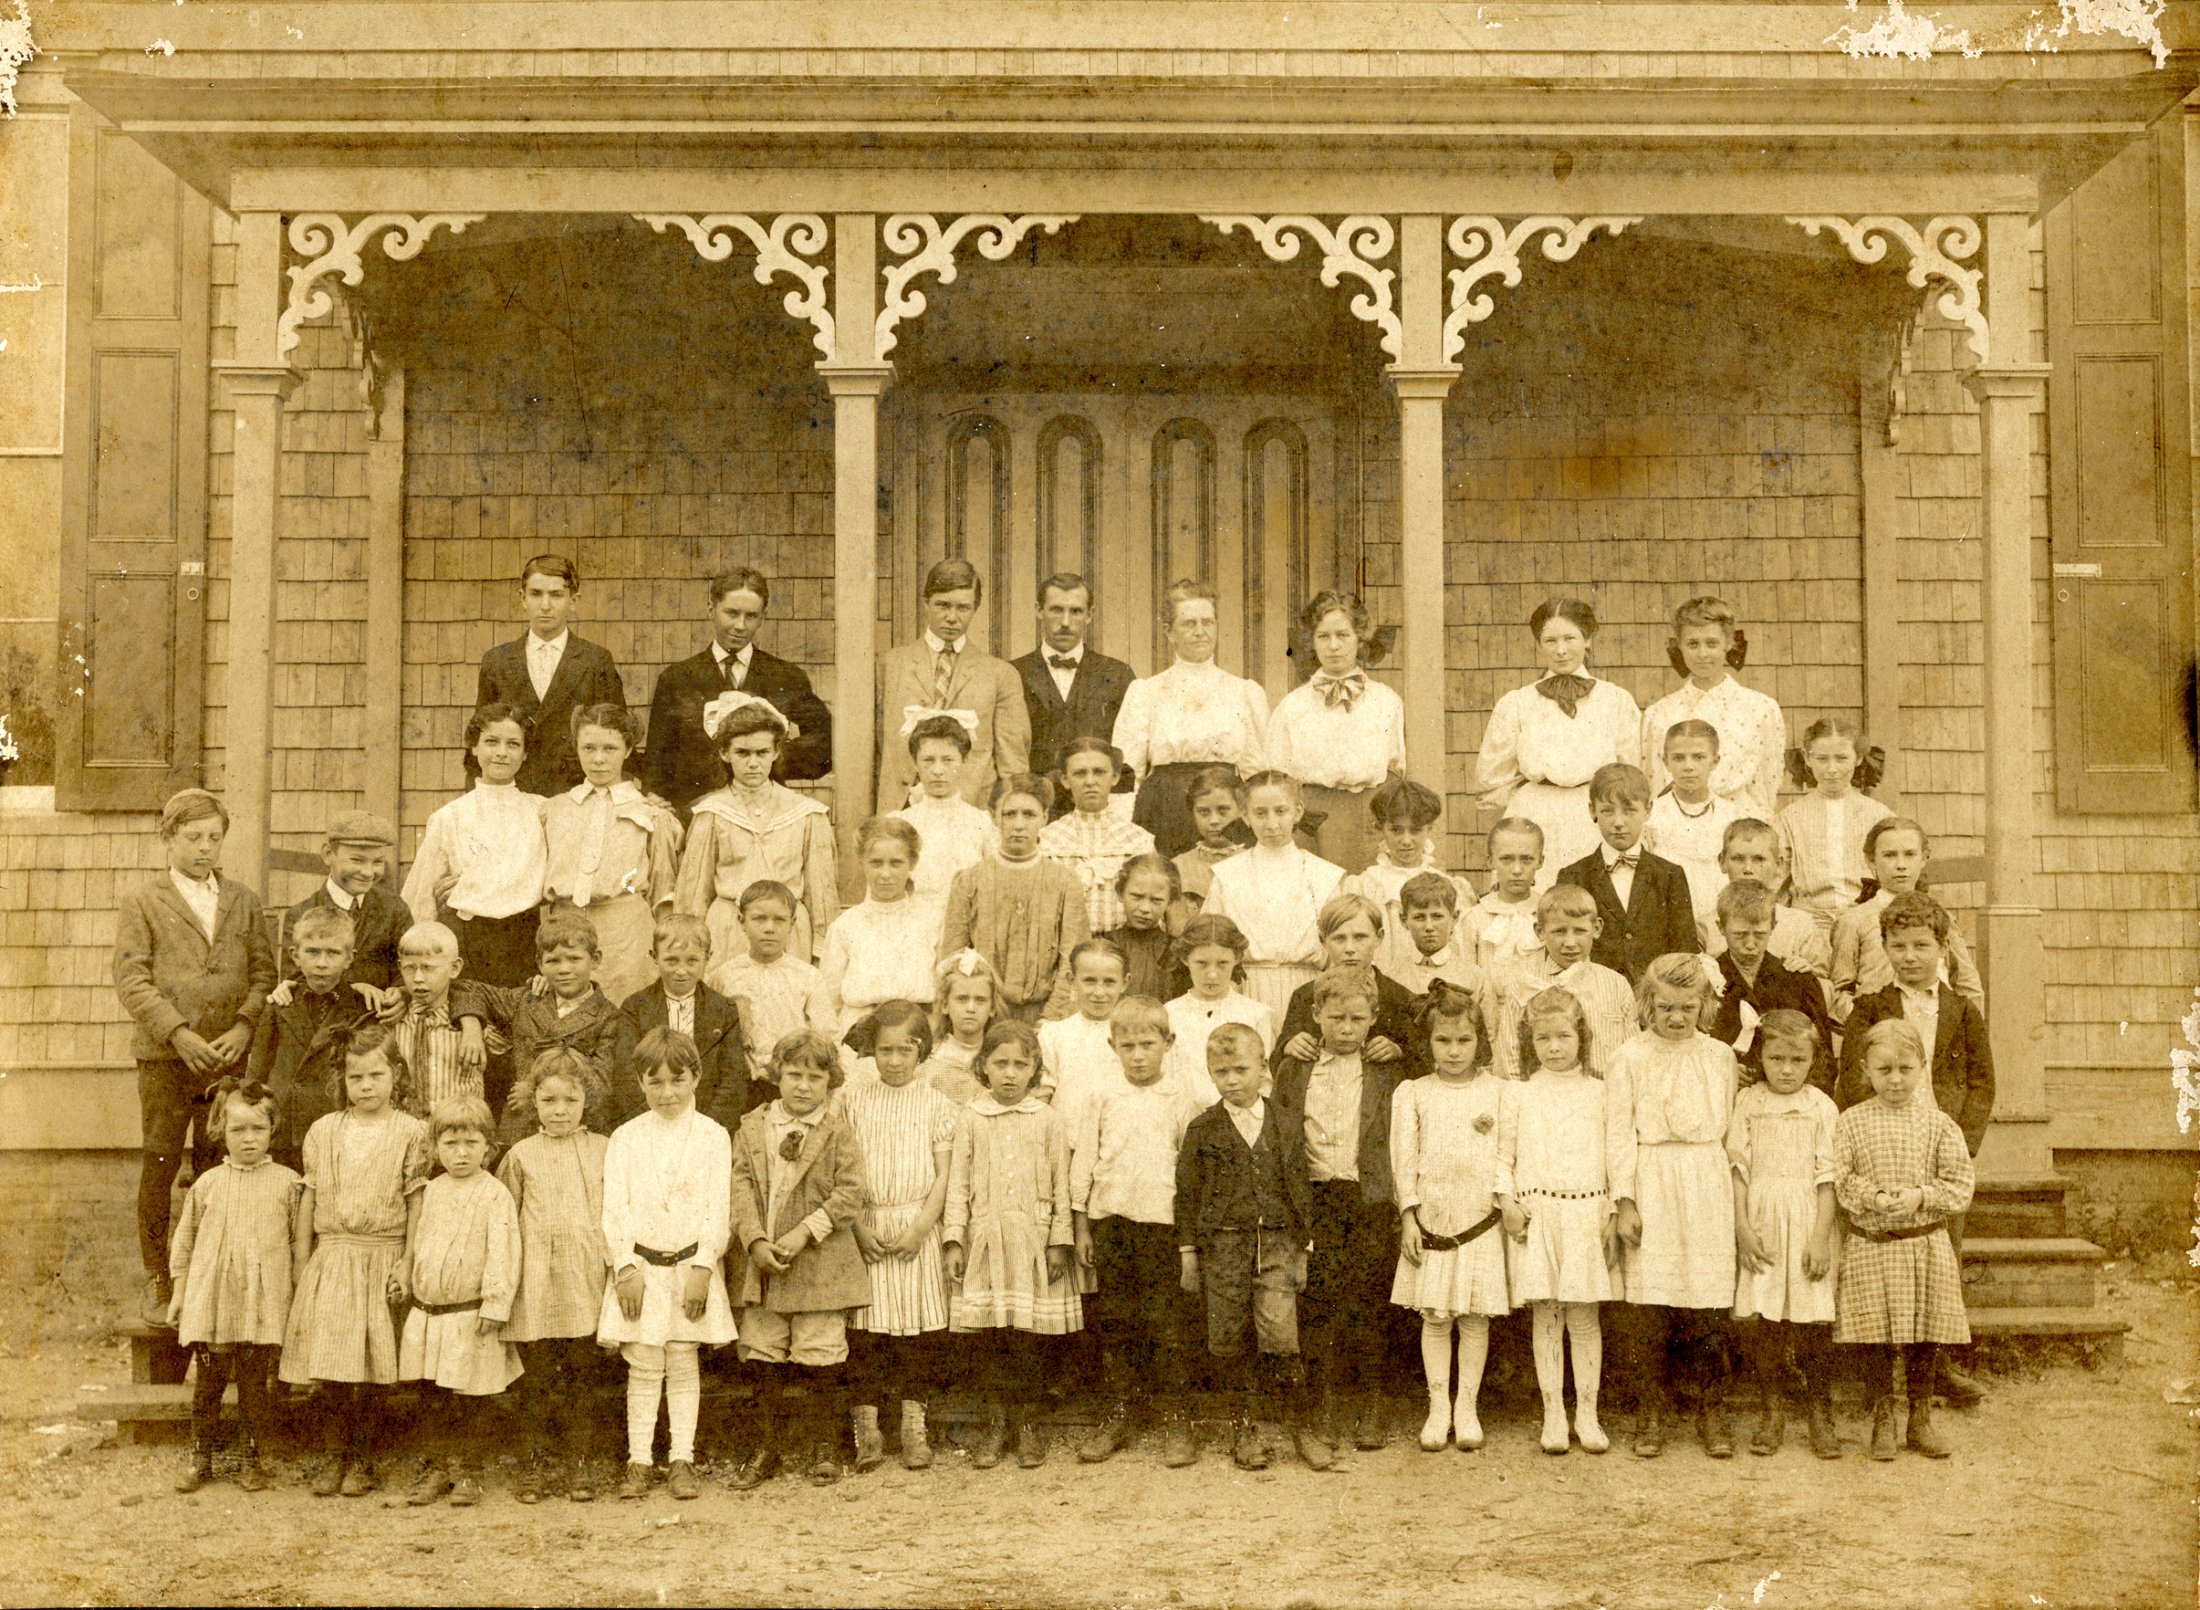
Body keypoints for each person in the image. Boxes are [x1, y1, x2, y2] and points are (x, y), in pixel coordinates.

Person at [114, 787, 277, 1327]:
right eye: (193, 837)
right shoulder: (144, 901)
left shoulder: (243, 900)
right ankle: (160, 1277)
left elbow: (263, 974)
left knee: (218, 1164)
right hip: (167, 1058)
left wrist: (244, 1026)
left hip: (227, 1059)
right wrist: (178, 1033)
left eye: (214, 837)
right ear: (168, 838)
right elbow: (132, 979)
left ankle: (208, 1276)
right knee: (161, 1162)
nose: (205, 848)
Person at [1836, 891, 1995, 1413]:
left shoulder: (1962, 1010)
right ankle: (1877, 1382)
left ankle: (1937, 1370)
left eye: (1921, 945)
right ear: (1884, 947)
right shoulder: (1871, 1007)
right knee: (1879, 1268)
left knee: (1940, 1264)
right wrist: (1870, 1140)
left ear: (1942, 947)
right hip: (1884, 1147)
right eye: (1898, 945)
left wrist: (1961, 1149)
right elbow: (1853, 1080)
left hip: (1937, 1152)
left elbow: (1980, 1084)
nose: (1909, 956)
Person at [279, 1021, 432, 1498]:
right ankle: (332, 1453)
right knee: (329, 1365)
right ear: (342, 1080)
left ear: (396, 1077)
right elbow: (309, 1198)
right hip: (335, 1258)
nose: (366, 1087)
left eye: (376, 1076)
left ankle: (363, 1458)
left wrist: (407, 1261)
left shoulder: (412, 1132)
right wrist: (304, 1261)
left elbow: (416, 1204)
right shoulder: (325, 1131)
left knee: (370, 1368)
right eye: (355, 1078)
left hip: (382, 1256)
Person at [1176, 1023, 1328, 1470]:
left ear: (1263, 1067)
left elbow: (1299, 1186)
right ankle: (1244, 1431)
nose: (1231, 1079)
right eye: (1220, 1071)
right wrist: (1189, 1253)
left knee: (1282, 1337)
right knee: (1228, 1338)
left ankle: (1301, 1429)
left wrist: (1304, 1247)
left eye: (1241, 1068)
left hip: (1278, 1245)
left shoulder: (1283, 1119)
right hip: (1221, 1250)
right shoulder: (1203, 1128)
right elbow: (1187, 1195)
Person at [1607, 953, 1741, 1459]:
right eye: (1665, 1007)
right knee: (1650, 1303)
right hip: (1651, 1176)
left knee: (1706, 1302)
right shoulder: (1629, 1057)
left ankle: (1710, 1407)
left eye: (1688, 1007)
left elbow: (1729, 1129)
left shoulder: (1718, 1057)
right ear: (1647, 1005)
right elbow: (1618, 1134)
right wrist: (1625, 1200)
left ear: (1704, 1005)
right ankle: (1651, 1409)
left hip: (1705, 1180)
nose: (1677, 1018)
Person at [600, 1026, 739, 1503]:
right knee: (643, 1364)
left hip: (689, 1267)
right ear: (639, 1083)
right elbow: (614, 1210)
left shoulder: (713, 1136)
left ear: (696, 1077)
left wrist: (703, 1266)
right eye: (654, 1082)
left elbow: (717, 1210)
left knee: (681, 1360)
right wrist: (625, 1267)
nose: (667, 1092)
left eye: (677, 1080)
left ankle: (683, 1458)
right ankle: (639, 1460)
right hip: (642, 1269)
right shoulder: (625, 1137)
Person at [728, 1029, 870, 1490]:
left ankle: (823, 1445)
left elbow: (851, 1194)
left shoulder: (837, 1130)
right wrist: (754, 1240)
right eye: (793, 1075)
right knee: (764, 1352)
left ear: (830, 1082)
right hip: (765, 1262)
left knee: (819, 1353)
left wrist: (804, 1231)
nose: (803, 1086)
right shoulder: (753, 1127)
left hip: (819, 1262)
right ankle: (767, 1446)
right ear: (776, 1076)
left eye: (815, 1077)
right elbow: (741, 1186)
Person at [1273, 964, 1406, 1451]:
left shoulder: (1386, 1068)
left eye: (1356, 1018)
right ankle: (1323, 1403)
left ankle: (1373, 1401)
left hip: (1368, 1196)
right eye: (1335, 1018)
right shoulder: (1297, 1066)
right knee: (1320, 1301)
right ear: (1315, 1016)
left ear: (1374, 1017)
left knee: (1370, 1300)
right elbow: (1285, 1134)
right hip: (1316, 1196)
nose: (1346, 1029)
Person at [1069, 996, 1206, 1466]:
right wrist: (1082, 1225)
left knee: (1166, 1323)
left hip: (1163, 1227)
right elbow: (1085, 1161)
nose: (1139, 1055)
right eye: (1128, 1046)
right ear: (1113, 1046)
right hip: (1112, 1222)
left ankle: (1176, 1417)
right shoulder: (1100, 1095)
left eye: (1148, 1044)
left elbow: (1190, 1173)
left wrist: (1190, 1238)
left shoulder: (1183, 1098)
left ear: (1168, 1042)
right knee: (1117, 1320)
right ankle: (1123, 1411)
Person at [941, 1019, 1083, 1469]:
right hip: (985, 1240)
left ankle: (1029, 1423)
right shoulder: (971, 1117)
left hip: (1033, 1242)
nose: (1009, 1074)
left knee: (1029, 1339)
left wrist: (1060, 1240)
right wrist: (953, 1240)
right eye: (999, 1063)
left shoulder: (1048, 1120)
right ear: (982, 1066)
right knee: (991, 1339)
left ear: (1034, 1068)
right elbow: (957, 1185)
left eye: (1020, 1065)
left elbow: (1064, 1182)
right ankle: (995, 1422)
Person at [1833, 1018, 1975, 1462]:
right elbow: (1840, 1178)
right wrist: (1871, 1196)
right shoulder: (1851, 1123)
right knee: (1876, 1334)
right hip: (1873, 1243)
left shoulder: (1939, 1125)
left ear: (1922, 1067)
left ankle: (1920, 1418)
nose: (1895, 1080)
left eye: (1905, 1069)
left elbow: (1959, 1186)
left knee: (1924, 1333)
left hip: (1924, 1243)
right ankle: (1883, 1416)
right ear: (1865, 1070)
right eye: (1884, 1070)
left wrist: (1919, 1196)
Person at [1390, 984, 1510, 1454]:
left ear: (1479, 1040)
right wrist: (1409, 1216)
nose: (1455, 1050)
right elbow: (1404, 1159)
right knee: (1436, 1317)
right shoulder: (1413, 1092)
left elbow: (1505, 1153)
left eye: (1464, 1040)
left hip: (1480, 1221)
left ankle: (1468, 1407)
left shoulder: (1499, 1092)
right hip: (1433, 1221)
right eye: (1444, 1041)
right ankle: (1438, 1406)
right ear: (1428, 1043)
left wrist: (1503, 1202)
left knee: (1475, 1317)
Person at [1497, 986, 1616, 1456]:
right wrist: (1507, 1201)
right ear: (1531, 1043)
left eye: (1563, 1036)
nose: (1554, 1047)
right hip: (1539, 1215)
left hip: (1586, 1213)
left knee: (1584, 1317)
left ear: (1581, 1037)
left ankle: (1587, 1410)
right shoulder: (1519, 1093)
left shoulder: (1600, 1092)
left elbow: (1613, 1156)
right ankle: (1553, 1412)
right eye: (1543, 1039)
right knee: (1546, 1315)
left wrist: (1609, 1209)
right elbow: (1503, 1154)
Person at [167, 1077, 300, 1495]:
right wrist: (179, 1294)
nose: (248, 1139)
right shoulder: (207, 1185)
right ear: (220, 1132)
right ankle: (201, 1456)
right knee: (208, 1384)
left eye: (257, 1129)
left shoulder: (288, 1183)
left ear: (272, 1129)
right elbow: (185, 1243)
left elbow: (299, 1244)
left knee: (253, 1388)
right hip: (214, 1302)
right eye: (237, 1130)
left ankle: (251, 1458)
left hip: (259, 1303)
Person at [842, 1001, 959, 1472]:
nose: (893, 1061)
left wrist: (920, 1229)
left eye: (904, 1051)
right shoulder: (852, 1102)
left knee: (918, 1332)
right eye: (884, 1050)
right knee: (866, 1332)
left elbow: (944, 1177)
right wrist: (856, 1227)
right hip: (866, 1225)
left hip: (917, 1227)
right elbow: (841, 1173)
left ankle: (914, 1423)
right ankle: (867, 1426)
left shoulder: (937, 1104)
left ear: (922, 1052)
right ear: (871, 1051)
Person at [496, 1049, 614, 1504]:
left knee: (583, 1376)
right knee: (537, 1378)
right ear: (534, 1102)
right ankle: (533, 1463)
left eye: (570, 1100)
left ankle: (579, 1463)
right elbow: (506, 1221)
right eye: (549, 1101)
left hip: (584, 1276)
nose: (559, 1110)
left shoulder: (603, 1148)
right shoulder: (520, 1155)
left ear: (587, 1100)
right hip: (537, 1280)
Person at [398, 1096, 524, 1508]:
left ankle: (468, 1471)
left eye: (471, 1143)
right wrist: (409, 1281)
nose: (461, 1153)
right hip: (431, 1315)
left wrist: (494, 1304)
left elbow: (503, 1253)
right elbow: (418, 1245)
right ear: (435, 1148)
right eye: (451, 1144)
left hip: (470, 1315)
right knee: (433, 1397)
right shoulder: (431, 1191)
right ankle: (436, 1468)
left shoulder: (494, 1195)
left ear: (488, 1148)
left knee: (472, 1399)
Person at [1727, 1010, 1841, 1460]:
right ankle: (1772, 1412)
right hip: (1763, 1219)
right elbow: (1738, 1169)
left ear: (1813, 1059)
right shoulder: (1749, 1103)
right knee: (1767, 1320)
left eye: (1797, 1059)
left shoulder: (1821, 1107)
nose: (1787, 1069)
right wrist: (1742, 1228)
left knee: (1812, 1321)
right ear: (1762, 1056)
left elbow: (1827, 1177)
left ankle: (1819, 1412)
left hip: (1808, 1216)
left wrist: (1820, 1237)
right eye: (1777, 1058)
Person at [1476, 597, 1642, 893]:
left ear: (1588, 640)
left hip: (1594, 816)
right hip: (1536, 813)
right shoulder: (1516, 703)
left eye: (1570, 638)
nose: (1561, 649)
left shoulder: (1616, 700)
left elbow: (1630, 772)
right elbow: (1494, 777)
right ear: (1538, 644)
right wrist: (1529, 802)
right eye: (1550, 640)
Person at [643, 566, 833, 820]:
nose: (740, 626)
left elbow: (825, 744)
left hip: (765, 814)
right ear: (712, 610)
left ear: (763, 617)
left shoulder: (786, 676)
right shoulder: (677, 679)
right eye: (731, 613)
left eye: (751, 616)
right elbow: (657, 760)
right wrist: (657, 798)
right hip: (697, 814)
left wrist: (772, 757)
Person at [674, 693, 838, 967]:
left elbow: (821, 893)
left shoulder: (806, 813)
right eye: (742, 753)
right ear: (724, 753)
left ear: (775, 752)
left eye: (762, 753)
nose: (753, 763)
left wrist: (822, 951)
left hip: (788, 931)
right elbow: (693, 894)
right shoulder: (712, 813)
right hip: (728, 932)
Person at [1113, 579, 1271, 857]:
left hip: (1227, 814)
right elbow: (1127, 775)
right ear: (1169, 632)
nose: (1200, 632)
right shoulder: (1146, 692)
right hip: (1165, 813)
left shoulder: (1244, 692)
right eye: (1189, 624)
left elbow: (1256, 773)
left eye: (1207, 623)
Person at [542, 702, 683, 1005]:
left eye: (610, 748)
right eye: (588, 748)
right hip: (565, 932)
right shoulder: (553, 810)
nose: (599, 759)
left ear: (629, 749)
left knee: (625, 1019)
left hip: (626, 935)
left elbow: (663, 892)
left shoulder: (652, 815)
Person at [401, 703, 547, 989]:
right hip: (469, 940)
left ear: (525, 753)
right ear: (474, 748)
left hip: (525, 939)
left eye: (513, 744)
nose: (502, 752)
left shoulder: (542, 810)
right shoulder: (450, 816)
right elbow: (421, 898)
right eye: (491, 742)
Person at [1264, 590, 1407, 873]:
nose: (1333, 646)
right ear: (1310, 641)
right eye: (1323, 636)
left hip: (1370, 818)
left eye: (1343, 635)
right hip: (1315, 820)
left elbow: (1396, 766)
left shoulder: (1386, 700)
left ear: (1360, 638)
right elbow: (1276, 774)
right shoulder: (1293, 706)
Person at [877, 559, 1031, 810]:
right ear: (926, 603)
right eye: (942, 605)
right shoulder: (890, 665)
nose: (951, 617)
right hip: (901, 810)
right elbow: (874, 750)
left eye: (963, 608)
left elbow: (1013, 767)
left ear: (975, 608)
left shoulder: (1000, 674)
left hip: (970, 813)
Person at [473, 554, 629, 799]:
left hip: (576, 794)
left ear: (573, 601)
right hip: (513, 792)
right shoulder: (498, 661)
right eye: (536, 594)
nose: (545, 605)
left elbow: (616, 735)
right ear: (522, 598)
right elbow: (480, 736)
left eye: (556, 595)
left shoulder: (595, 660)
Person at [938, 774, 1089, 1023]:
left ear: (1045, 818)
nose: (1018, 825)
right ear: (995, 818)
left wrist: (1051, 1019)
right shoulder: (969, 881)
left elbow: (1074, 961)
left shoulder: (1065, 882)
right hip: (985, 1016)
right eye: (1009, 814)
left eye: (1029, 815)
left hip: (1048, 1017)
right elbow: (954, 960)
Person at [470, 907, 625, 1140]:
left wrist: (534, 1089)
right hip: (520, 1128)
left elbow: (601, 1086)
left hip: (578, 1129)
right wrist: (472, 1028)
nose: (564, 969)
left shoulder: (609, 1017)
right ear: (539, 964)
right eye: (553, 961)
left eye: (574, 959)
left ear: (595, 960)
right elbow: (468, 990)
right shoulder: (528, 999)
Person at [1200, 771, 1345, 1020]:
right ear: (1245, 815)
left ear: (1297, 811)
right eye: (1260, 813)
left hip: (1309, 990)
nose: (1272, 824)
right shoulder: (1228, 874)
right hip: (1245, 989)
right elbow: (1210, 941)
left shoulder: (1324, 875)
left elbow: (1340, 946)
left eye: (1280, 811)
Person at [1640, 595, 1787, 822]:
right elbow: (1654, 783)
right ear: (1679, 645)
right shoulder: (1659, 714)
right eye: (1692, 644)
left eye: (1711, 643)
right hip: (1677, 825)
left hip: (1740, 826)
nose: (1702, 654)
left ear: (1728, 643)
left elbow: (1767, 785)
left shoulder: (1760, 709)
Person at [1557, 762, 1700, 986]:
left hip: (1655, 1000)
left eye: (1629, 810)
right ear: (1592, 810)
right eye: (1607, 810)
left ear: (1648, 810)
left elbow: (1685, 951)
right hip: (1596, 996)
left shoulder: (1670, 875)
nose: (1618, 822)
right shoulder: (1574, 876)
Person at [249, 906, 365, 1176]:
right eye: (312, 952)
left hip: (335, 1125)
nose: (322, 963)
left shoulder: (361, 1008)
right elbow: (257, 1071)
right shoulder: (279, 1004)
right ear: (295, 955)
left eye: (333, 953)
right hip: (285, 1128)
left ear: (349, 958)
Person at [1830, 819, 1985, 1021]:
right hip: (1879, 1032)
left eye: (1910, 854)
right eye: (1890, 855)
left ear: (1924, 858)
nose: (1901, 865)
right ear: (1871, 860)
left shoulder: (1941, 916)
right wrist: (1865, 1022)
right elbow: (1839, 990)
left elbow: (1967, 984)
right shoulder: (1855, 920)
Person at [612, 910, 750, 1130]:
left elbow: (732, 1078)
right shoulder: (635, 1007)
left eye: (692, 960)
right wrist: (654, 1121)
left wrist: (707, 1127)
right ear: (654, 956)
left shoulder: (723, 1009)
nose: (681, 971)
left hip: (707, 1125)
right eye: (671, 960)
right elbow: (627, 1075)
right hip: (650, 1122)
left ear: (708, 957)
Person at [1487, 884, 1638, 1081]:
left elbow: (1632, 1053)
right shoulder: (1525, 984)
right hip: (1541, 1099)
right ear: (1540, 931)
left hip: (1604, 1097)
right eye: (1559, 931)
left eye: (1579, 931)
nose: (1570, 943)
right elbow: (1509, 1056)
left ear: (1597, 928)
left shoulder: (1616, 984)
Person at [817, 817, 940, 1043]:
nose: (885, 873)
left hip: (917, 1032)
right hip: (860, 1036)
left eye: (895, 863)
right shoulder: (845, 926)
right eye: (876, 863)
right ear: (862, 862)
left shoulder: (932, 921)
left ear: (912, 863)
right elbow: (828, 1001)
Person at [1345, 776, 1475, 986]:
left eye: (1415, 830)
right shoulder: (1364, 886)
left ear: (1429, 829)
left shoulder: (1449, 886)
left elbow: (1462, 949)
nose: (1406, 841)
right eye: (1396, 830)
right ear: (1381, 828)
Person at [1012, 572, 1137, 787]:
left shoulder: (1118, 674)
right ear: (1039, 611)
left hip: (1099, 801)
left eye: (1076, 611)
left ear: (1089, 615)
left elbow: (1130, 753)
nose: (1065, 622)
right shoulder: (1012, 673)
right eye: (1056, 610)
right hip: (1035, 802)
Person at [1271, 892, 1417, 1076]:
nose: (1350, 948)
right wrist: (1289, 1046)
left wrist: (1398, 1051)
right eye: (1339, 938)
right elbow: (1277, 1064)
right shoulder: (1306, 994)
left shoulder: (1399, 997)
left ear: (1379, 937)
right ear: (1323, 940)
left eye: (1360, 937)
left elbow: (1421, 1064)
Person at [1706, 880, 1835, 1083]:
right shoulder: (1706, 978)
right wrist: (1722, 1070)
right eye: (1740, 934)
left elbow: (1823, 1058)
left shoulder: (1799, 980)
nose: (1750, 944)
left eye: (1760, 934)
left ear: (1773, 926)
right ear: (1720, 927)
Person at [1776, 715, 1892, 938]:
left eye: (1841, 758)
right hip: (1808, 926)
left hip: (1866, 925)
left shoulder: (1879, 815)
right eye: (1821, 759)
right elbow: (1776, 884)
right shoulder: (1789, 819)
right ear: (1806, 758)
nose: (1832, 769)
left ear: (1858, 758)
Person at [708, 881, 830, 1082]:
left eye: (779, 920)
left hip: (792, 1081)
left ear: (792, 923)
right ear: (741, 921)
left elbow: (825, 1036)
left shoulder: (808, 977)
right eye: (759, 919)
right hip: (738, 1082)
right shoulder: (723, 976)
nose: (769, 928)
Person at [288, 810, 411, 1004]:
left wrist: (402, 994)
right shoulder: (302, 913)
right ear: (328, 854)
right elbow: (295, 982)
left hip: (378, 1019)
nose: (368, 872)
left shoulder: (394, 909)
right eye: (357, 860)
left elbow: (406, 965)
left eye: (378, 862)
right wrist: (352, 989)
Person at [1038, 738, 1157, 933]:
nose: (1090, 781)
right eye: (1080, 773)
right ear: (1065, 780)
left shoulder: (1138, 840)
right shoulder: (1047, 839)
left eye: (1099, 772)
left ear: (1115, 777)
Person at [889, 714, 997, 926]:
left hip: (967, 929)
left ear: (963, 761)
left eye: (948, 760)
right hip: (911, 930)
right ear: (916, 764)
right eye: (928, 760)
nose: (938, 770)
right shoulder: (900, 823)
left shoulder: (981, 823)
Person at [1644, 720, 1739, 936]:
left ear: (1715, 761)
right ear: (1665, 762)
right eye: (1678, 758)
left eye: (1698, 757)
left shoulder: (1731, 815)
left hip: (1721, 926)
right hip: (1667, 924)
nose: (1688, 766)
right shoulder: (1652, 816)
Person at [1163, 914, 1275, 1097]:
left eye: (1222, 963)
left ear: (1237, 958)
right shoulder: (1169, 1014)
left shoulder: (1256, 1014)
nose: (1212, 974)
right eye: (1202, 964)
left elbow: (1264, 1083)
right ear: (1185, 958)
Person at [1710, 818, 1831, 980]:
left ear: (1779, 864)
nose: (1748, 869)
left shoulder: (1801, 925)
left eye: (1759, 859)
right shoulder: (1706, 926)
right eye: (1738, 859)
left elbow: (1823, 985)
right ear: (1722, 862)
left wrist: (1808, 973)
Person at [1039, 938, 1132, 1133]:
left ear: (1125, 983)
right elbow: (1042, 1098)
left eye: (1109, 982)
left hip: (1118, 1137)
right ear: (1072, 980)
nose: (1099, 992)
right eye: (1089, 981)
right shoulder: (1054, 1034)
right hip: (1066, 1138)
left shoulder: (1133, 1036)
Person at [1475, 817, 1548, 1007]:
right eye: (1506, 859)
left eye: (1526, 859)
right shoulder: (1475, 919)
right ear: (1491, 861)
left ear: (1540, 861)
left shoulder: (1548, 915)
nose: (1517, 870)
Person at [1103, 854, 1188, 1004]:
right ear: (1120, 893)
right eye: (1136, 896)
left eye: (1156, 900)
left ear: (1169, 902)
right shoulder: (1104, 945)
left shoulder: (1176, 952)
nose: (1145, 908)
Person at [924, 948, 1003, 1105]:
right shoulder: (933, 1057)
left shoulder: (1000, 1055)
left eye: (980, 1000)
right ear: (945, 1005)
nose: (971, 1008)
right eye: (962, 999)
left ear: (992, 1008)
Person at [1388, 873, 1484, 1000]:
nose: (1429, 927)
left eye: (1437, 916)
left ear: (1454, 918)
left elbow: (1488, 1020)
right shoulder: (1391, 976)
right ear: (1403, 920)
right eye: (1419, 917)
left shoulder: (1474, 977)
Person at [1171, 764, 1252, 914]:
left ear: (1241, 810)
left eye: (1223, 811)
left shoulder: (1254, 863)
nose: (1214, 820)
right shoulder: (1178, 867)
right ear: (1193, 813)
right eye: (1204, 812)